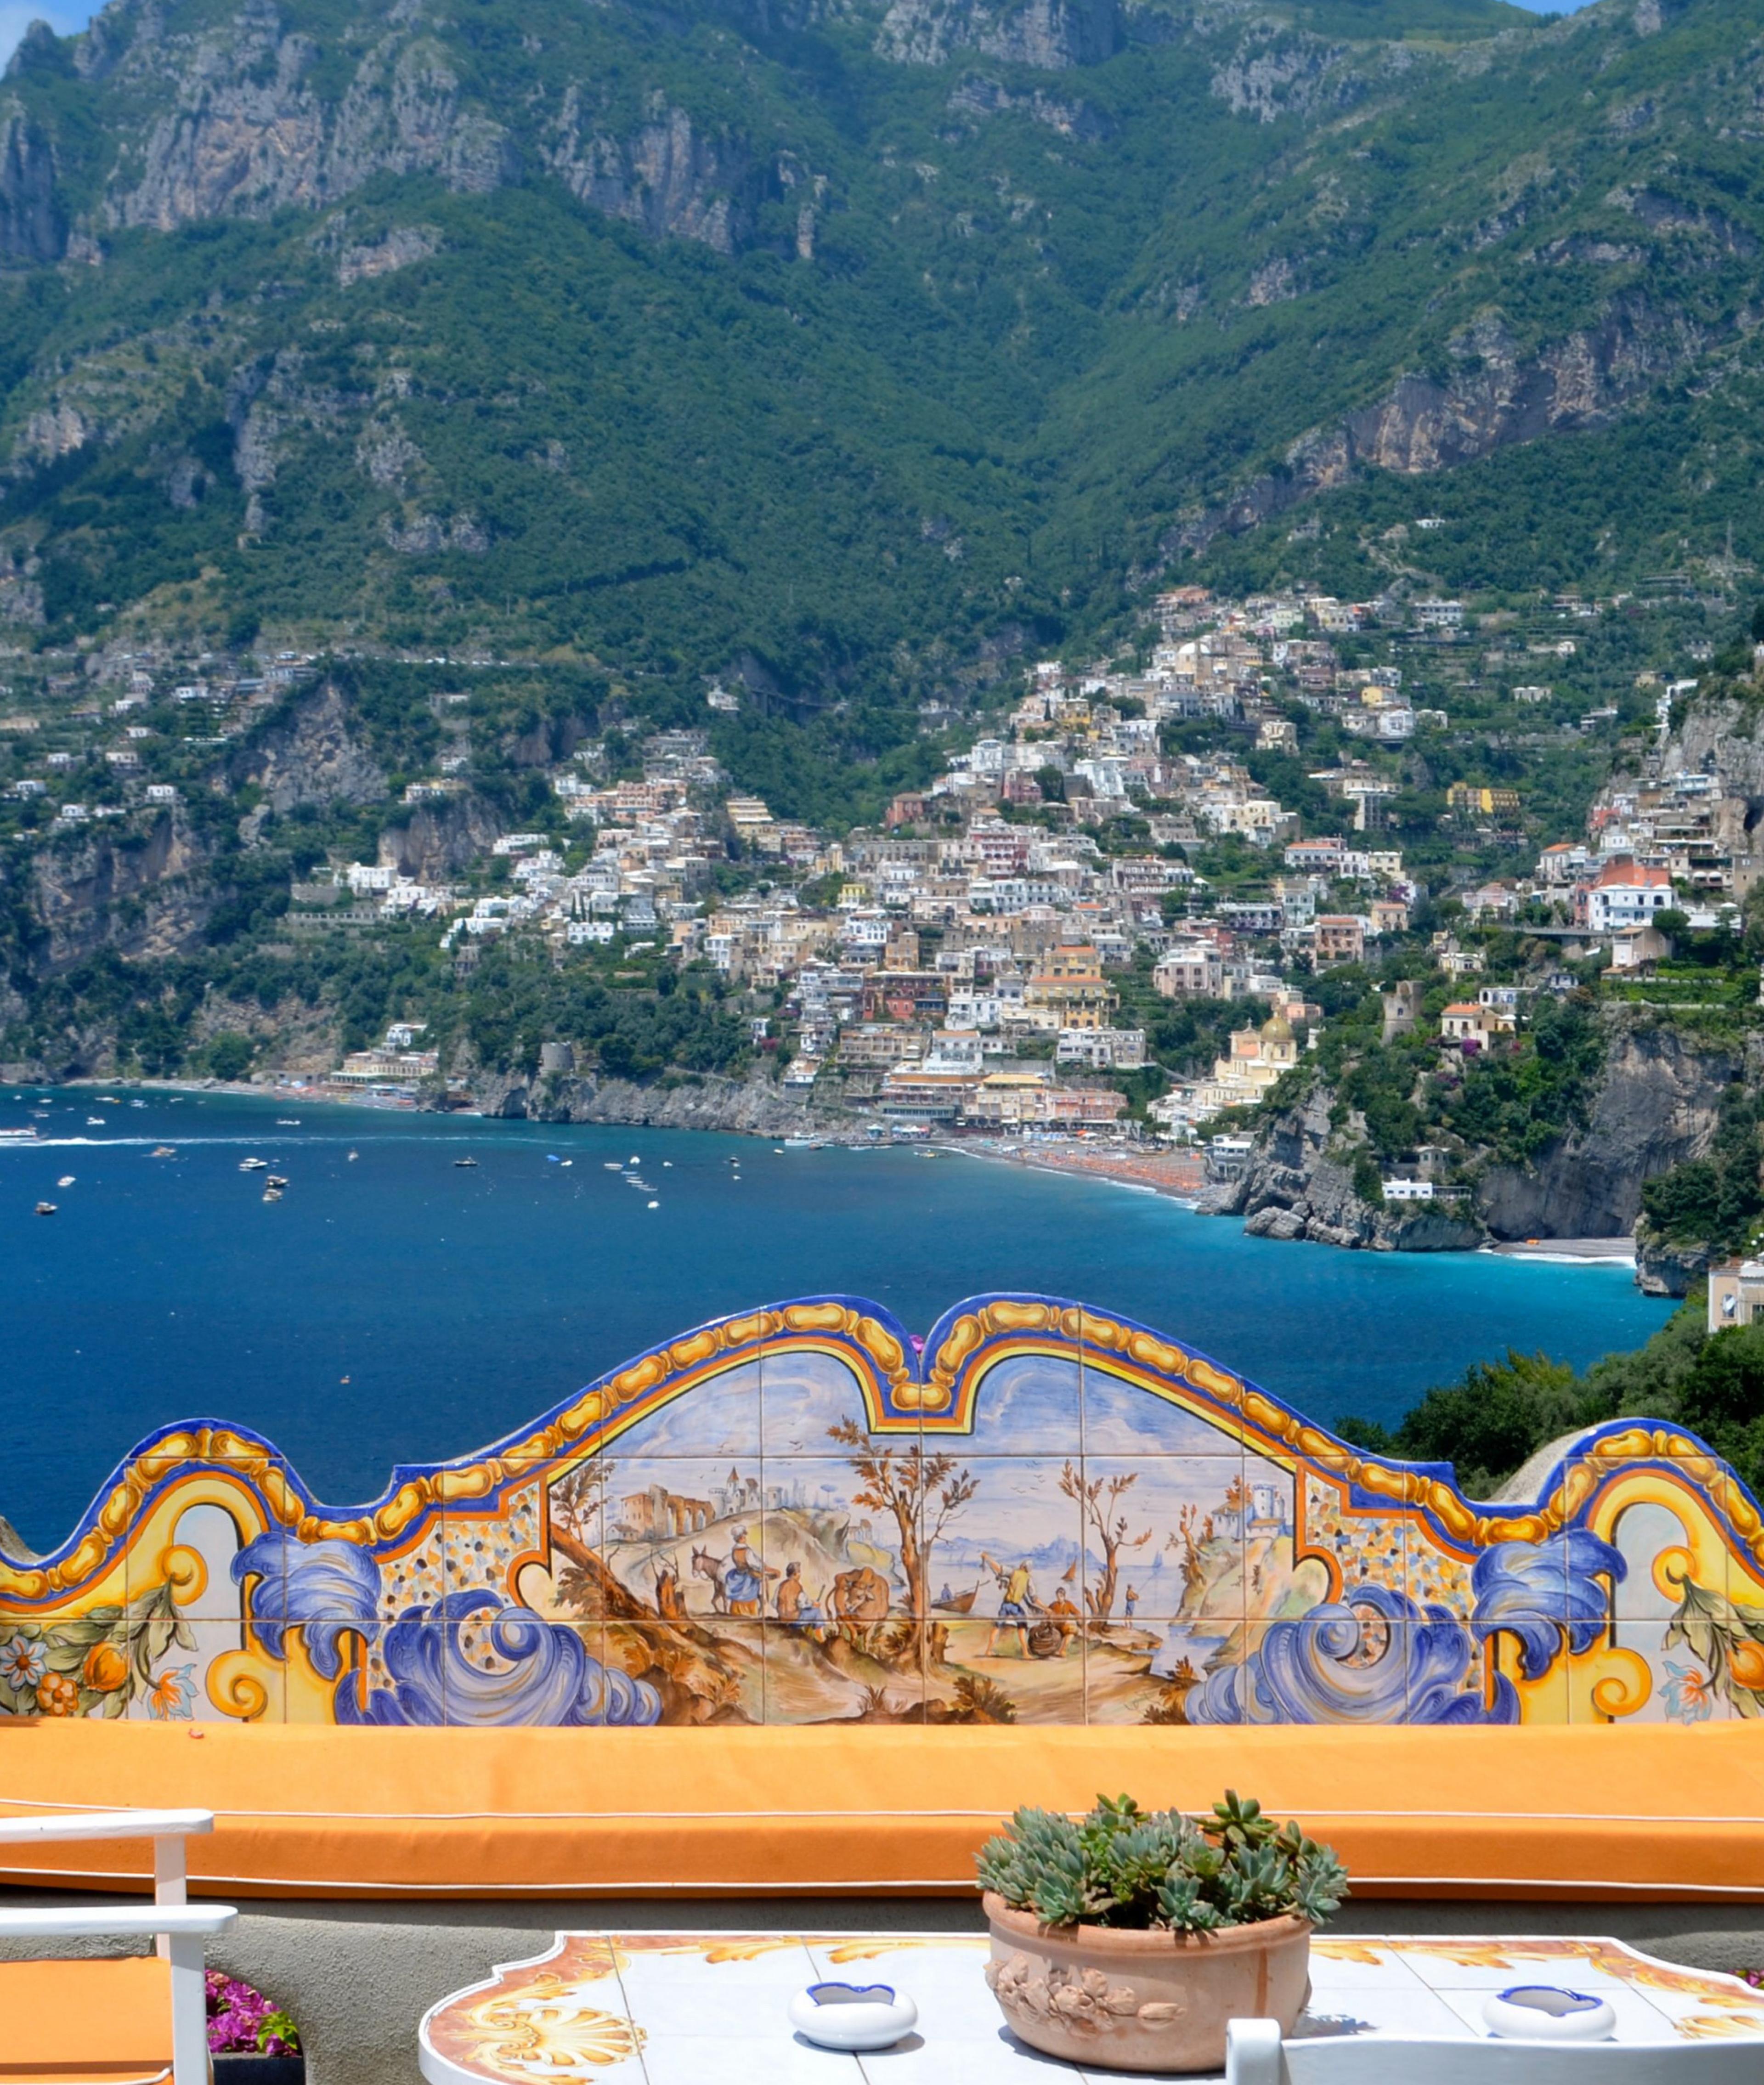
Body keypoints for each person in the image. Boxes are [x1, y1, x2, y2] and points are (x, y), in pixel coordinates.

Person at [985, 1557, 1038, 1657]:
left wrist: (988, 1558)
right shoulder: (1028, 1579)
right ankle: (1025, 1653)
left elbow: (999, 1569)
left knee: (997, 1627)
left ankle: (988, 1650)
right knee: (1022, 1626)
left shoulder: (1013, 1573)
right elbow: (1034, 1598)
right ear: (1028, 1569)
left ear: (1022, 1567)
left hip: (1005, 1605)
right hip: (1014, 1607)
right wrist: (1045, 1608)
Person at [724, 1527, 778, 1613]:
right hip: (747, 1576)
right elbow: (755, 1564)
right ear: (741, 1538)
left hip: (738, 1574)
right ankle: (759, 1606)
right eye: (744, 1537)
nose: (745, 1539)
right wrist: (766, 1568)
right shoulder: (747, 1551)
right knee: (760, 1581)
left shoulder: (734, 1551)